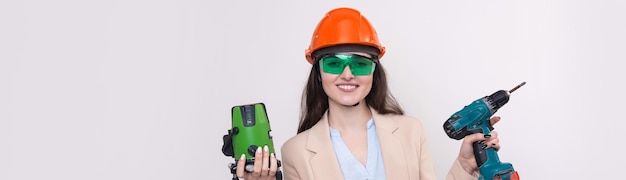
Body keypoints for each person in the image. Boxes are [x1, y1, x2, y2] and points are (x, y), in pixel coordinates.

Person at [237, 7, 502, 180]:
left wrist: (466, 166)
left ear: (374, 71)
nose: (348, 74)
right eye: (334, 63)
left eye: (360, 63)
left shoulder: (410, 132)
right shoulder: (295, 152)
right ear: (318, 72)